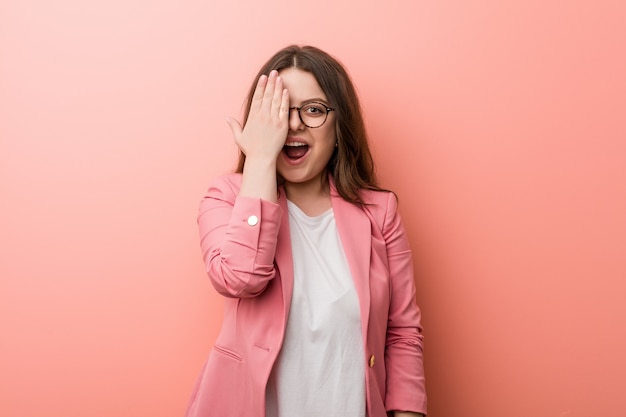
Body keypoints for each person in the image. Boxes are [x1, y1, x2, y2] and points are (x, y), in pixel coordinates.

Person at [185, 45, 427, 417]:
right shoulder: (228, 197)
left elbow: (402, 333)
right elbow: (239, 279)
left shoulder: (381, 212)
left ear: (338, 124)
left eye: (313, 110)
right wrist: (261, 161)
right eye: (280, 110)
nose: (294, 124)